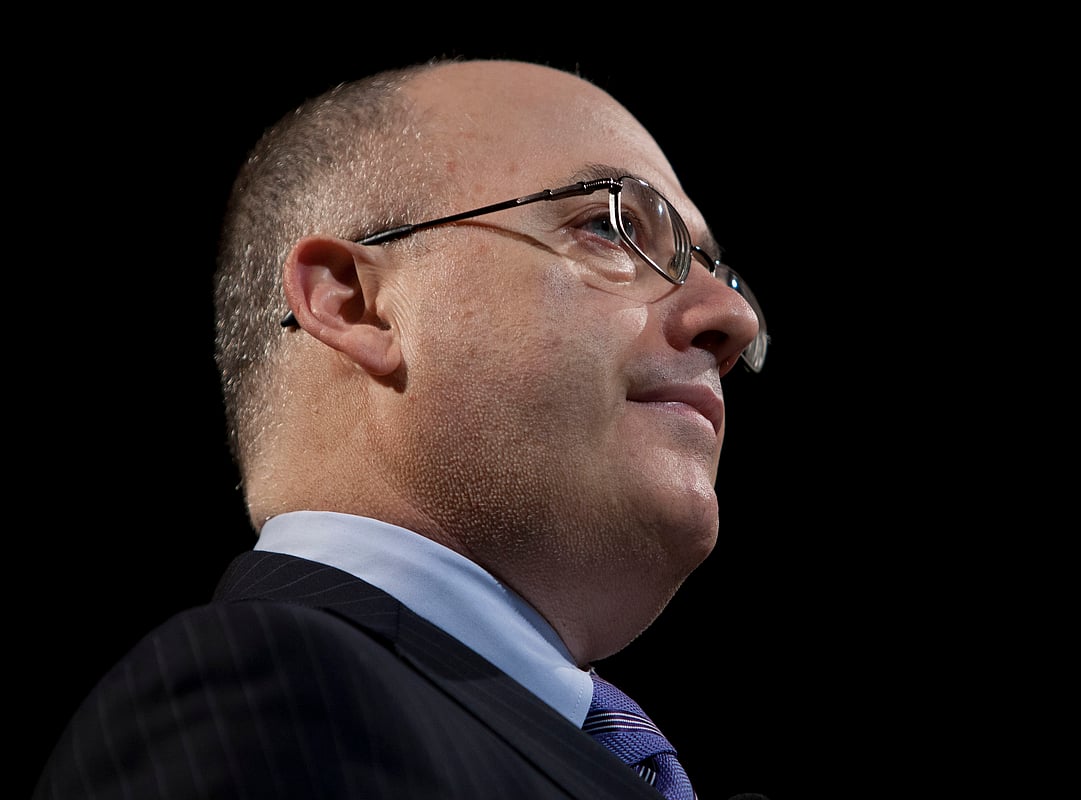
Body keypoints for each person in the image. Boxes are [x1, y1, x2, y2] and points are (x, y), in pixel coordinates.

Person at [34, 57, 768, 799]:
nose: (733, 317)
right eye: (613, 226)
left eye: (718, 271)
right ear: (354, 303)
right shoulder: (270, 698)